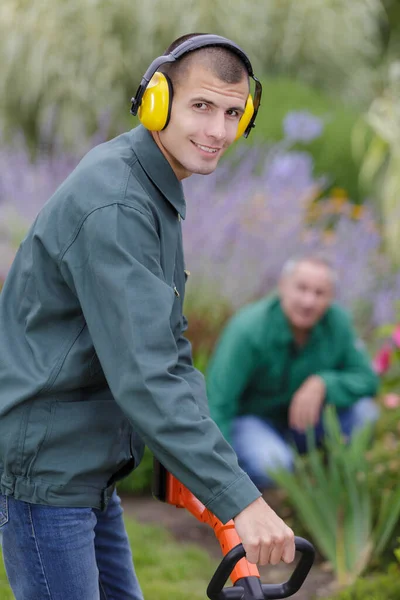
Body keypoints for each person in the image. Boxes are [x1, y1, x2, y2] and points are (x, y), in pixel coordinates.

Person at [0, 33, 295, 600]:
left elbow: (168, 346)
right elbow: (146, 373)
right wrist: (244, 500)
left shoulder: (149, 187)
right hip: (49, 474)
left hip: (86, 467)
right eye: (201, 107)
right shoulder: (117, 204)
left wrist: (201, 469)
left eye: (233, 113)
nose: (217, 132)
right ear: (156, 101)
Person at [207, 255, 380, 491]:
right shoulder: (248, 329)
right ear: (282, 287)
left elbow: (368, 380)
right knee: (274, 465)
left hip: (303, 425)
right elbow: (218, 403)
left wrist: (323, 384)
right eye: (302, 289)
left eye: (320, 293)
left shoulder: (338, 323)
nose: (309, 301)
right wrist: (217, 473)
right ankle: (253, 497)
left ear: (331, 298)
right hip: (252, 422)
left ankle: (335, 488)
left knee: (365, 413)